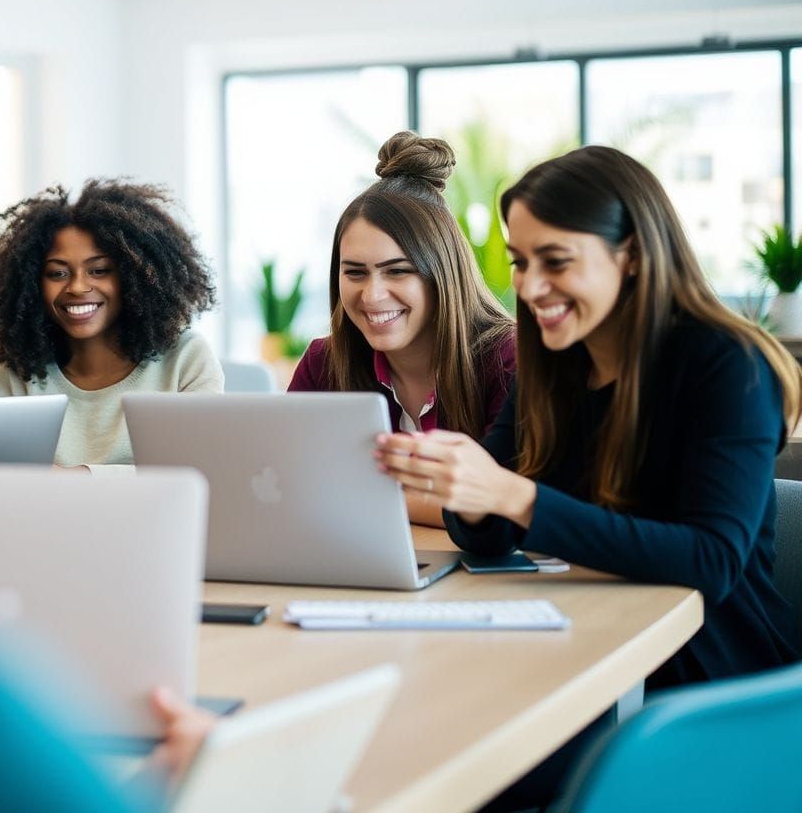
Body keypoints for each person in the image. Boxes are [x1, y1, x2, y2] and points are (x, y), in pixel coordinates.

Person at [377, 146, 802, 806]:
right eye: (521, 262)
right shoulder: (553, 363)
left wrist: (515, 497)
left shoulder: (728, 366)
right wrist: (468, 490)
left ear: (630, 255)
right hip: (579, 659)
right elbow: (487, 535)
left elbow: (711, 560)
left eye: (556, 261)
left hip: (708, 694)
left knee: (448, 771)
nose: (529, 287)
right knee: (409, 741)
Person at [289, 132, 515, 526]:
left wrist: (355, 495)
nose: (372, 295)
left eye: (397, 271)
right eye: (355, 273)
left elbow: (502, 507)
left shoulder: (507, 359)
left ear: (442, 274)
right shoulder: (324, 363)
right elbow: (285, 480)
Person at [0, 180, 223, 469]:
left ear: (135, 275)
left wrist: (80, 477)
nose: (78, 287)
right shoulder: (12, 371)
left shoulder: (186, 358)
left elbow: (201, 470)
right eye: (57, 273)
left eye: (99, 270)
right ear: (32, 284)